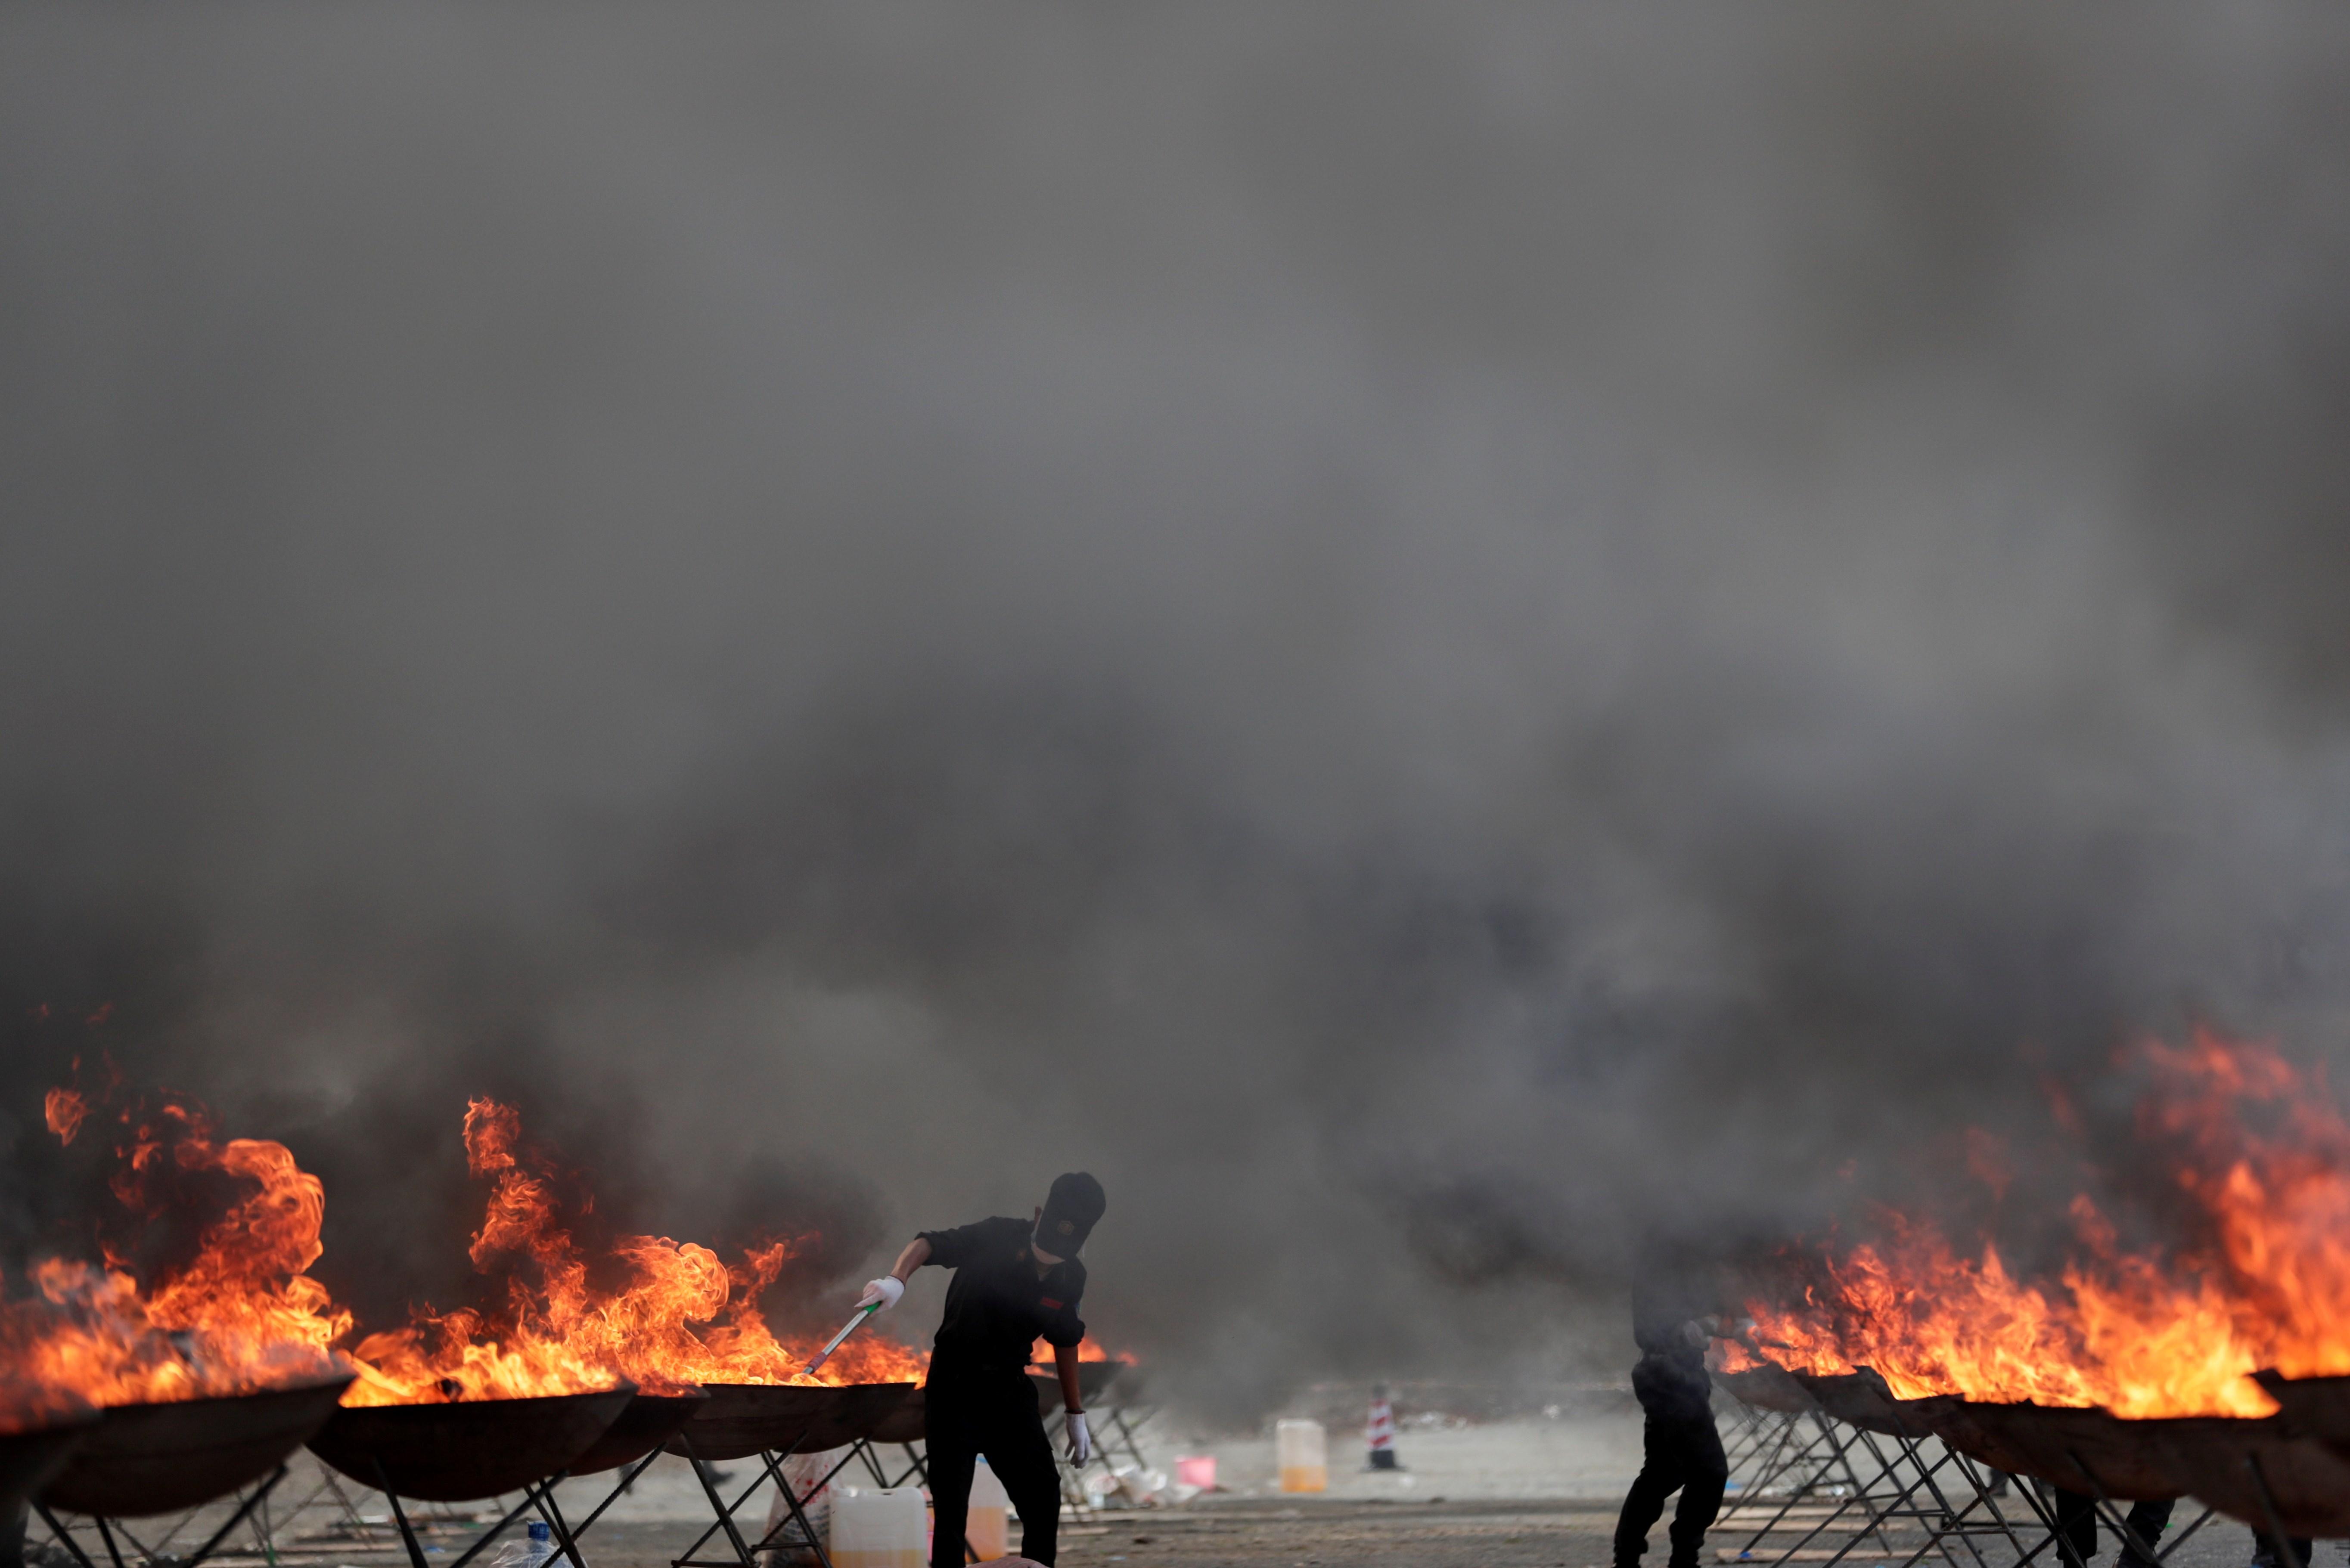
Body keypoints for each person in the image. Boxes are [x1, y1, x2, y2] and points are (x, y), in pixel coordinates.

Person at [856, 1172, 1107, 1568]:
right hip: (954, 1382)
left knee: (1043, 1494)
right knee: (952, 1505)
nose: (1049, 1259)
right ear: (1039, 1215)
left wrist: (1076, 1412)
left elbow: (1065, 1339)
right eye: (1046, 1246)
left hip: (1009, 1388)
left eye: (1060, 1252)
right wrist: (896, 1280)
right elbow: (929, 1243)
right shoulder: (996, 1236)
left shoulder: (1071, 1275)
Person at [1613, 1250, 1729, 1568]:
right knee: (1709, 1472)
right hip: (1668, 1376)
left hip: (1683, 1374)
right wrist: (1684, 1330)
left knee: (1662, 1474)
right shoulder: (1659, 1266)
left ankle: (1627, 1558)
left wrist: (1709, 1322)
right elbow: (1649, 1332)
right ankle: (1683, 1560)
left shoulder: (1694, 1264)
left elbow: (1718, 1311)